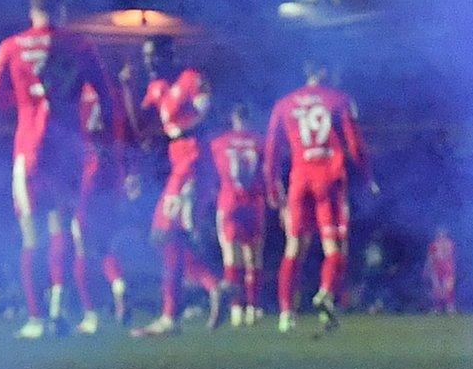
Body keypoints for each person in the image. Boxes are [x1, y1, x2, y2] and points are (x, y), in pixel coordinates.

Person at [0, 0, 117, 338]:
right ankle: (60, 310)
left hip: (30, 149)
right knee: (64, 228)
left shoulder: (11, 46)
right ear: (61, 11)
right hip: (68, 150)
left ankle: (36, 319)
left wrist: (27, 101)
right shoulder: (80, 44)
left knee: (31, 236)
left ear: (32, 12)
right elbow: (106, 94)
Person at [267, 60, 374, 332]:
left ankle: (286, 314)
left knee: (294, 247)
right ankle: (325, 295)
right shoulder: (339, 100)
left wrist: (272, 185)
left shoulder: (284, 104)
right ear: (325, 72)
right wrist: (367, 176)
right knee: (335, 248)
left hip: (300, 180)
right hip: (330, 177)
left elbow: (272, 152)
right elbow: (355, 144)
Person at [132, 39, 226, 335]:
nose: (149, 63)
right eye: (145, 58)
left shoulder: (191, 79)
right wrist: (125, 88)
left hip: (193, 162)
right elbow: (140, 121)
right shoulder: (156, 87)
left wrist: (174, 127)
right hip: (178, 164)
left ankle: (173, 315)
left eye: (154, 56)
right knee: (168, 238)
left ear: (168, 55)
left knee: (166, 234)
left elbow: (203, 112)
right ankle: (212, 288)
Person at [69, 82, 131, 334]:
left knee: (81, 242)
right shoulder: (114, 92)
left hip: (90, 171)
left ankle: (91, 315)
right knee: (105, 245)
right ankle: (119, 285)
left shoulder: (79, 91)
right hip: (113, 173)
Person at [210, 103, 266, 327]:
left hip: (229, 202)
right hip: (253, 202)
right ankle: (253, 308)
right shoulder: (259, 142)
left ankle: (235, 310)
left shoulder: (219, 143)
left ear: (233, 118)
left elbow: (212, 173)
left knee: (231, 257)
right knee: (254, 258)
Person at [425, 226, 457, 314]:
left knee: (448, 288)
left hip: (447, 268)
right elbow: (430, 257)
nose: (441, 235)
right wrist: (427, 268)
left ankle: (450, 307)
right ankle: (437, 308)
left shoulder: (449, 243)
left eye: (442, 233)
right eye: (439, 233)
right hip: (436, 269)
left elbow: (449, 255)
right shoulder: (433, 244)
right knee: (436, 288)